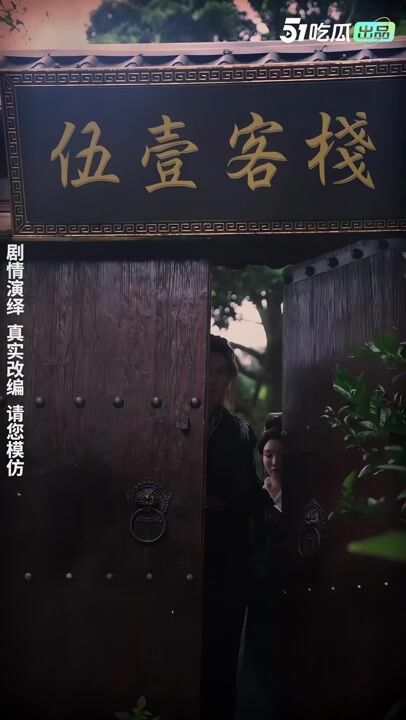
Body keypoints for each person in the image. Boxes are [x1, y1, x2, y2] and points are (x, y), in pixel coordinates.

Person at [201, 334, 265, 720]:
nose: (211, 378)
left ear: (229, 378)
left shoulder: (240, 432)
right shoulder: (164, 420)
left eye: (220, 371)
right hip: (172, 554)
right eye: (204, 369)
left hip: (225, 561)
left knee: (220, 661)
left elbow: (249, 493)